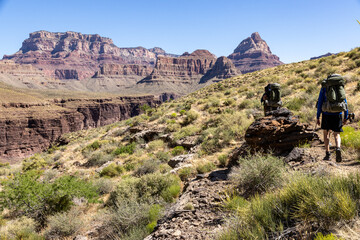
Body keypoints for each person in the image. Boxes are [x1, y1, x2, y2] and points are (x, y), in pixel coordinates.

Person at [316, 74, 348, 162]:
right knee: (337, 134)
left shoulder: (324, 88)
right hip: (338, 114)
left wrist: (318, 116)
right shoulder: (340, 88)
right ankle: (338, 148)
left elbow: (319, 103)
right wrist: (346, 116)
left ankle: (328, 154)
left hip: (326, 114)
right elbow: (345, 102)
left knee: (326, 134)